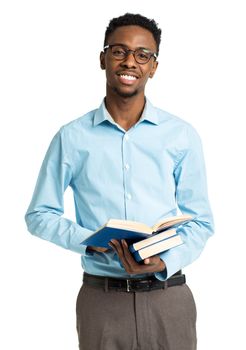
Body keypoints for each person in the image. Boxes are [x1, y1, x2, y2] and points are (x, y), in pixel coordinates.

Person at [25, 13, 214, 350]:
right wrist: (90, 240)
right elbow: (39, 215)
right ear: (103, 58)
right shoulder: (72, 137)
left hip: (168, 298)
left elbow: (200, 221)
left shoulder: (181, 136)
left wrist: (166, 261)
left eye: (143, 55)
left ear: (154, 67)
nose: (131, 62)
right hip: (102, 301)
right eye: (119, 51)